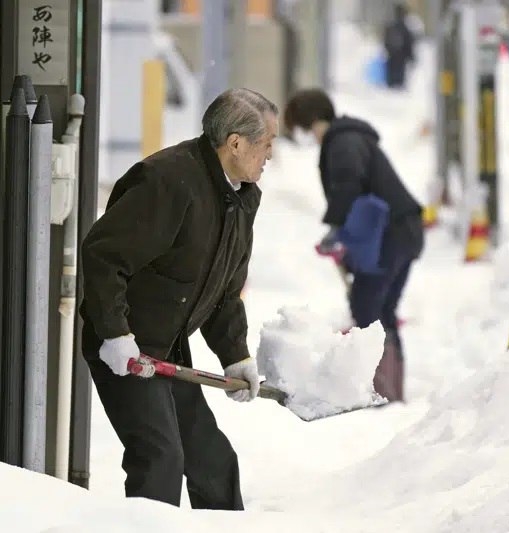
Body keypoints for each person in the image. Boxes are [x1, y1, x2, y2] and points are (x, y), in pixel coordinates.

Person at [79, 88, 279, 509]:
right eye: (266, 144)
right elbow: (104, 255)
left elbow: (224, 290)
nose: (270, 155)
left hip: (167, 346)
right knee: (160, 458)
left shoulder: (241, 197)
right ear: (235, 143)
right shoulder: (167, 181)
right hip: (127, 346)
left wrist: (235, 355)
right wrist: (114, 333)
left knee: (212, 461)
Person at [283, 88, 424, 403]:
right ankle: (388, 390)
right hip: (400, 231)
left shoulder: (343, 142)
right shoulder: (347, 138)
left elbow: (349, 183)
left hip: (391, 234)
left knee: (368, 309)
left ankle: (381, 390)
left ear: (310, 123)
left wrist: (335, 229)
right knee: (380, 309)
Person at [382, 2, 416, 89]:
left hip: (391, 58)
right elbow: (409, 44)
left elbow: (385, 41)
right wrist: (411, 57)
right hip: (401, 59)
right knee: (399, 86)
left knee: (391, 85)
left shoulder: (390, 26)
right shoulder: (405, 27)